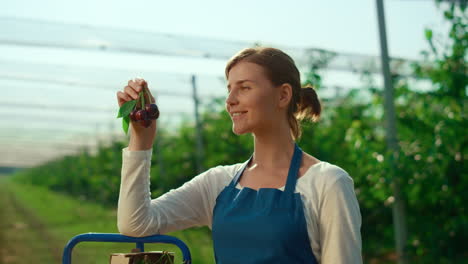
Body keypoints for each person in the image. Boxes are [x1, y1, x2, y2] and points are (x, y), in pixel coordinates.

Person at [116, 47, 362, 264]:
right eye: (229, 89)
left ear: (283, 95)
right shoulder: (218, 183)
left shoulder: (327, 182)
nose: (230, 100)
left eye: (244, 88)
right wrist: (141, 141)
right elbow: (136, 224)